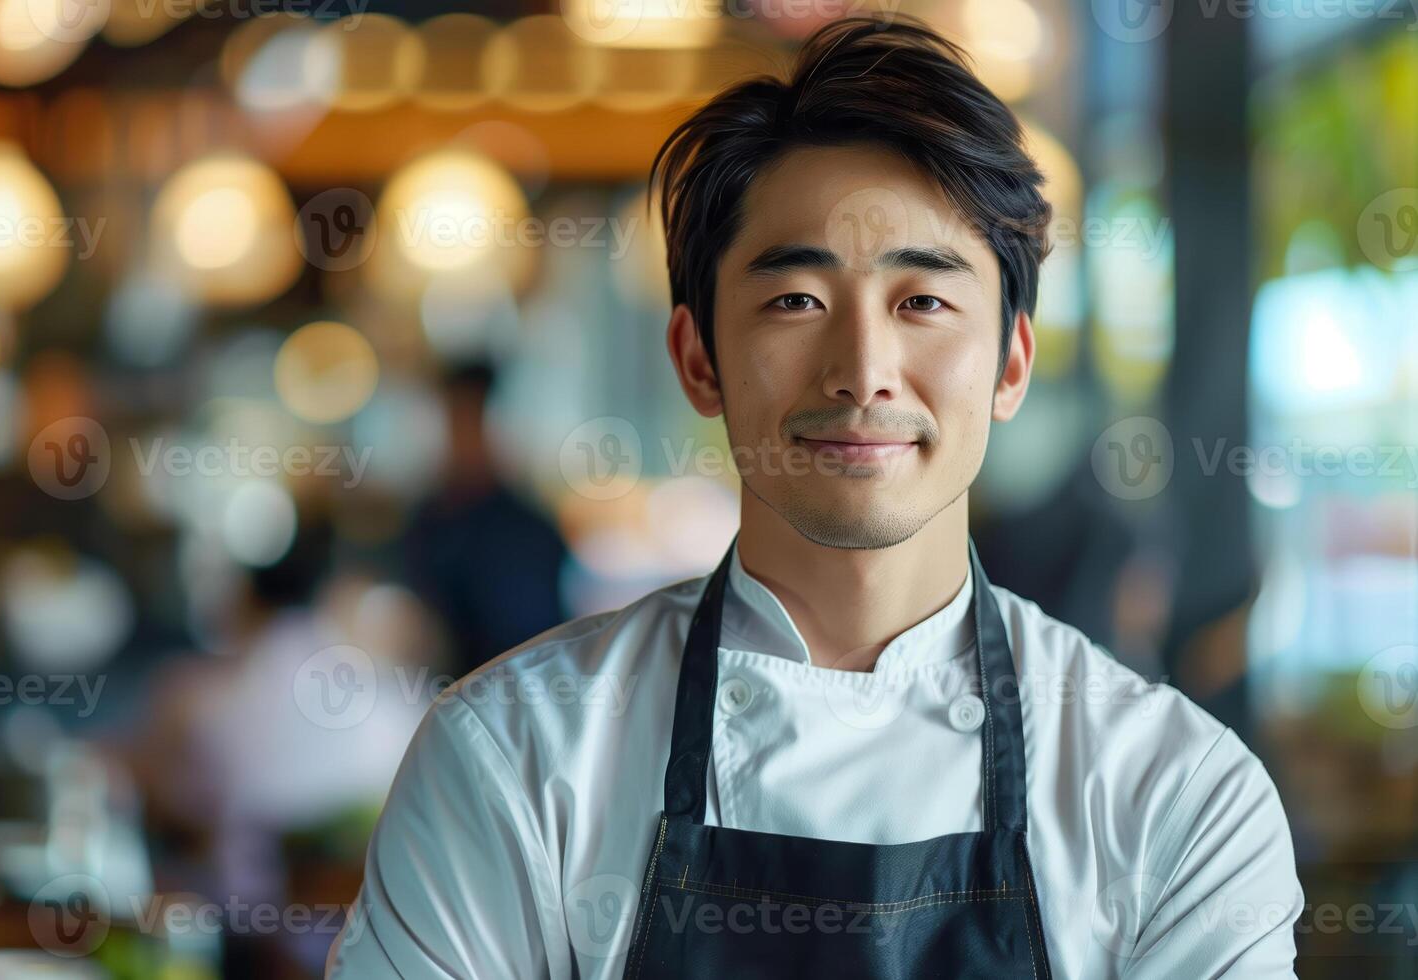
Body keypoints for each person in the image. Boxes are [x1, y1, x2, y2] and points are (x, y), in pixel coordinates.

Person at [327, 16, 1302, 978]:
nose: (864, 370)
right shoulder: (512, 757)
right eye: (797, 299)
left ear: (1010, 364)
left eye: (923, 301)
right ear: (698, 358)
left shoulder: (1174, 794)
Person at [399, 361, 569, 679]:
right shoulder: (425, 522)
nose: (460, 437)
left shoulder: (529, 531)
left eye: (470, 421)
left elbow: (542, 645)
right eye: (454, 421)